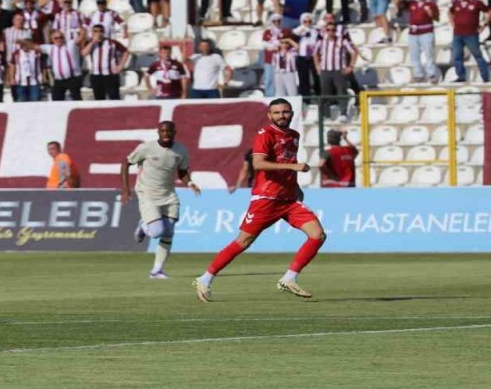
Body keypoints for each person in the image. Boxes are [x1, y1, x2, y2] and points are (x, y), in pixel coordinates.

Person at [194, 98, 325, 302]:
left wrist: (295, 184)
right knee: (243, 241)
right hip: (266, 198)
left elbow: (286, 161)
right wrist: (294, 168)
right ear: (270, 115)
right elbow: (258, 163)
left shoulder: (294, 135)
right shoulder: (265, 134)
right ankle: (205, 278)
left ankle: (289, 278)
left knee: (317, 235)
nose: (282, 116)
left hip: (288, 199)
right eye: (277, 113)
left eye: (285, 112)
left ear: (291, 113)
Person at [121, 121, 200, 279]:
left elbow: (182, 172)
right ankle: (143, 226)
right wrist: (125, 190)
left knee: (169, 232)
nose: (166, 134)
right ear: (158, 132)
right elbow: (126, 164)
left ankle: (156, 270)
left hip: (169, 195)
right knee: (157, 231)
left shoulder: (180, 150)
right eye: (162, 131)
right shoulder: (146, 148)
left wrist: (190, 183)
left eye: (169, 131)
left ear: (174, 132)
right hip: (148, 193)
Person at [313, 18, 358, 121]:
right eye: (329, 30)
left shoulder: (342, 40)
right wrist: (317, 66)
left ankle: (343, 113)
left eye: (333, 30)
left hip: (339, 70)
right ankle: (325, 115)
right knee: (325, 92)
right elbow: (315, 53)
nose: (331, 32)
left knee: (341, 91)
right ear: (325, 30)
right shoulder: (321, 42)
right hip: (325, 69)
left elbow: (354, 52)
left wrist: (351, 66)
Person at [447, 0, 489, 82]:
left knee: (477, 55)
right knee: (457, 56)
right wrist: (453, 23)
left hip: (471, 35)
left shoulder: (476, 2)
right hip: (457, 34)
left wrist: (484, 24)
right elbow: (450, 12)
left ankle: (485, 76)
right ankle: (461, 76)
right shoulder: (455, 3)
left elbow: (488, 11)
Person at [401, 0, 439, 83]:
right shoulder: (411, 3)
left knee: (429, 54)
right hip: (413, 32)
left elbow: (437, 18)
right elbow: (399, 4)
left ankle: (431, 74)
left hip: (426, 31)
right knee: (414, 54)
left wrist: (431, 13)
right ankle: (418, 74)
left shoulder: (431, 4)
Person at [82, 24, 129, 101]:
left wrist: (120, 66)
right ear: (92, 33)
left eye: (100, 31)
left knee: (114, 98)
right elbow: (84, 53)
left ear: (103, 32)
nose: (98, 33)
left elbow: (126, 52)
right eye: (95, 31)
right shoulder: (89, 43)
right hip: (96, 75)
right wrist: (93, 42)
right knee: (99, 99)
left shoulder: (112, 43)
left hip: (110, 75)